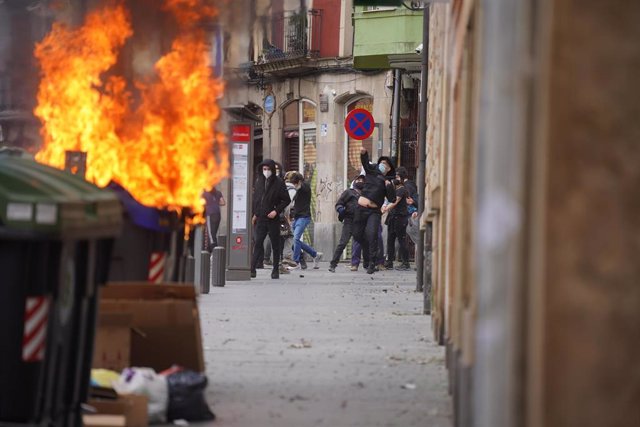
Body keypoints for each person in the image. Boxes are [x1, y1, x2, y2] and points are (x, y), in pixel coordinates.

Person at [352, 148, 396, 274]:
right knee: (357, 234)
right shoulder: (371, 172)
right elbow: (365, 163)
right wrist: (364, 153)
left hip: (374, 212)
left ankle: (372, 263)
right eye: (381, 162)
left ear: (389, 169)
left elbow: (392, 198)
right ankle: (367, 258)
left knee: (372, 235)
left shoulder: (388, 181)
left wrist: (388, 186)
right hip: (360, 209)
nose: (383, 165)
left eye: (386, 164)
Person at [250, 159, 291, 279]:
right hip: (261, 217)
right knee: (258, 242)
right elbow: (257, 199)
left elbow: (286, 200)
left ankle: (275, 269)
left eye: (268, 169)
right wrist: (255, 214)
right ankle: (252, 268)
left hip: (273, 218)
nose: (266, 171)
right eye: (264, 169)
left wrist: (276, 211)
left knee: (275, 244)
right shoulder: (259, 181)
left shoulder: (278, 182)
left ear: (272, 170)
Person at [329, 175, 364, 272]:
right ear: (355, 181)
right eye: (358, 180)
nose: (360, 181)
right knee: (343, 243)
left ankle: (364, 264)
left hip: (361, 222)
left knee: (361, 244)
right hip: (349, 221)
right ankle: (333, 264)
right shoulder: (349, 192)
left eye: (362, 180)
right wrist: (340, 209)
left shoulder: (366, 194)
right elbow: (339, 203)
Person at [287, 172, 323, 270]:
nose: (293, 186)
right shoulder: (295, 189)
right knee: (294, 240)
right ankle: (315, 254)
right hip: (297, 217)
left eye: (294, 183)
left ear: (298, 182)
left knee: (296, 238)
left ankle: (296, 262)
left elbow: (301, 187)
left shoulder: (305, 187)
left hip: (304, 217)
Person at [383, 178, 410, 270]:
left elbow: (395, 202)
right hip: (393, 218)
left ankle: (405, 263)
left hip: (400, 218)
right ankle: (389, 261)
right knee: (390, 240)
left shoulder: (401, 189)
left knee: (401, 240)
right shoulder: (396, 190)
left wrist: (385, 209)